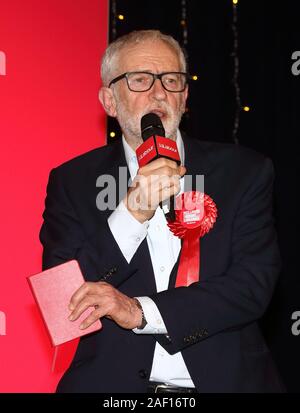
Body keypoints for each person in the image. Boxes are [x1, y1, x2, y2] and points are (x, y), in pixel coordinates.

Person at [40, 30, 284, 393]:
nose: (159, 93)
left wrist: (140, 312)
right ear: (109, 100)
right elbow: (63, 305)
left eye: (171, 80)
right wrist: (131, 213)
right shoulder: (73, 182)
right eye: (139, 80)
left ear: (185, 97)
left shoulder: (243, 172)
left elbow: (252, 286)